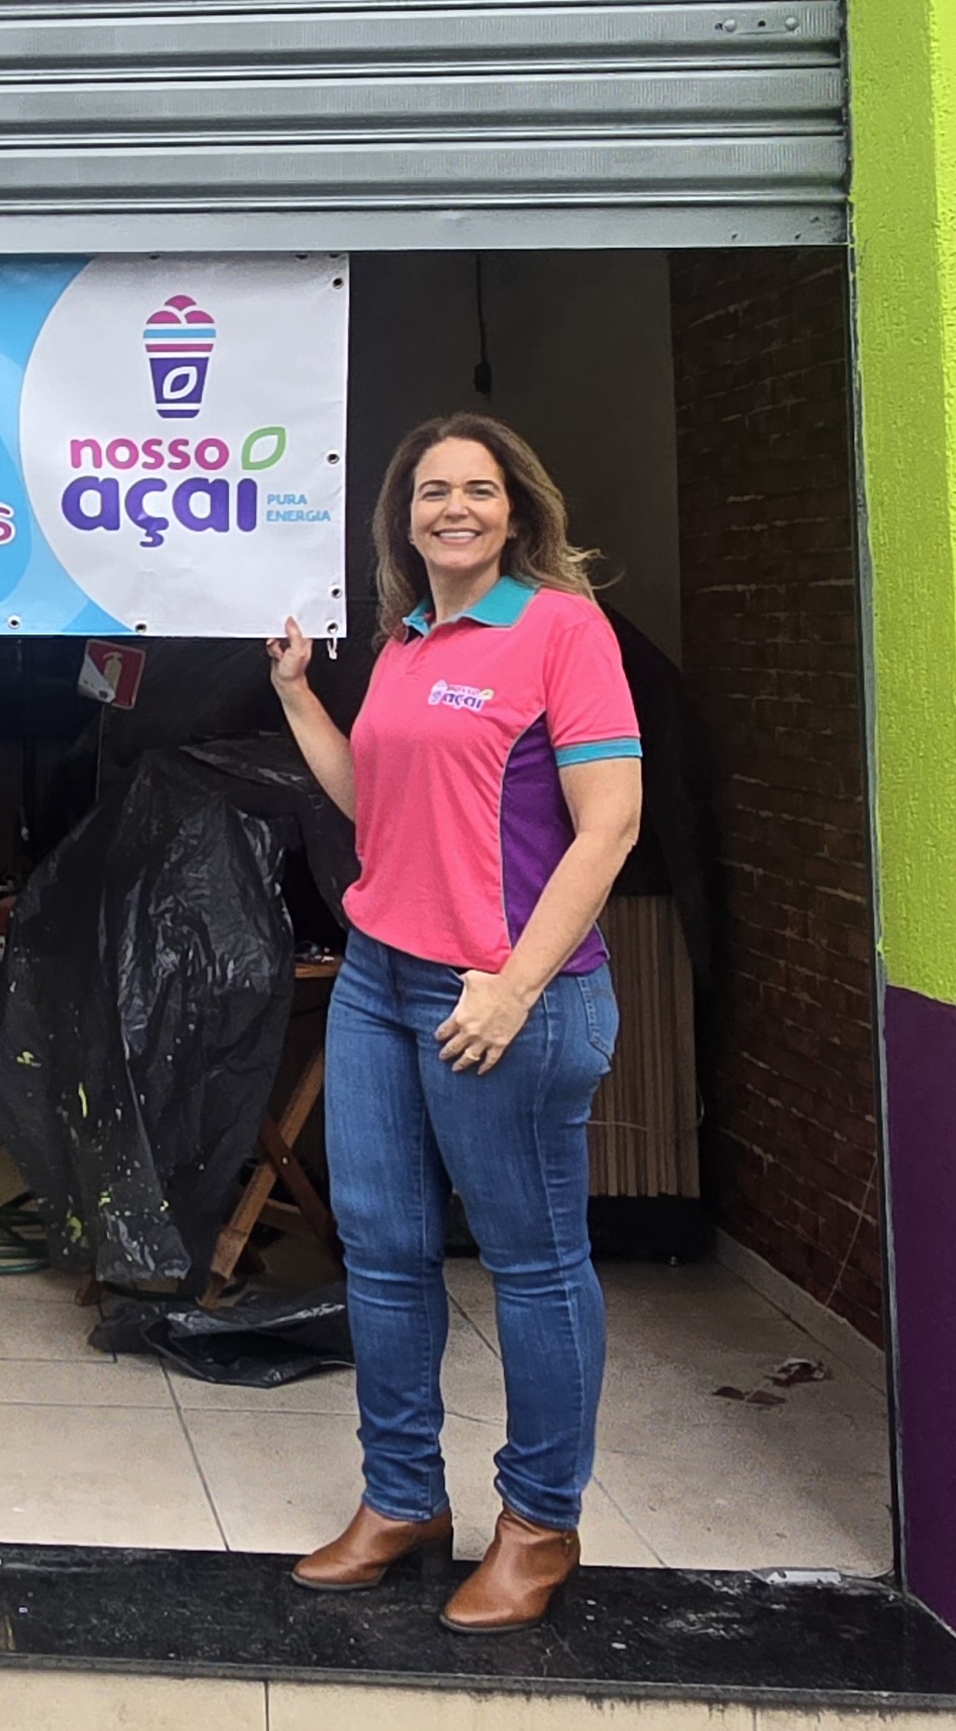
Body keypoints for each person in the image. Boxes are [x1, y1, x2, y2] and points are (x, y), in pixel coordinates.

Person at [266, 413, 641, 1633]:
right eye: (432, 490)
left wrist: (516, 983)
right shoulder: (408, 639)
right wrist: (296, 695)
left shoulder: (561, 629)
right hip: (380, 981)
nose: (455, 508)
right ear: (405, 516)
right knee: (380, 1250)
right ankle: (401, 1497)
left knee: (532, 1262)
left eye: (478, 488)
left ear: (515, 507)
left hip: (499, 994)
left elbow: (609, 824)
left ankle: (538, 1522)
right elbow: (378, 807)